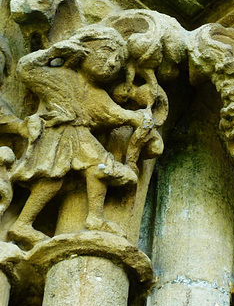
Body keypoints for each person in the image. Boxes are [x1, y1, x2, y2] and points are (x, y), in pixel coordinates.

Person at [8, 26, 152, 249]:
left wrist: (134, 117)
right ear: (83, 49)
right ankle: (22, 225)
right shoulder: (60, 76)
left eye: (118, 60)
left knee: (99, 168)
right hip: (56, 137)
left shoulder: (98, 93)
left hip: (81, 137)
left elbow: (111, 113)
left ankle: (95, 217)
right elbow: (26, 68)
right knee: (51, 181)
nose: (112, 62)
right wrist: (54, 52)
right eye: (106, 51)